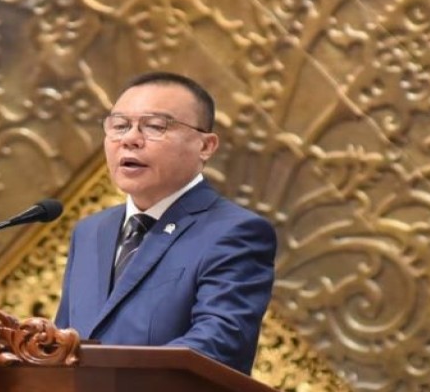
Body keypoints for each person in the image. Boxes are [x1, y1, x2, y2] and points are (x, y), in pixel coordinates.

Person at [54, 72, 277, 374]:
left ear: (205, 146)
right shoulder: (90, 231)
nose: (130, 139)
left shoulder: (236, 232)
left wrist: (107, 383)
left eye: (155, 126)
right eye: (119, 126)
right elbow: (63, 343)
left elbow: (218, 345)